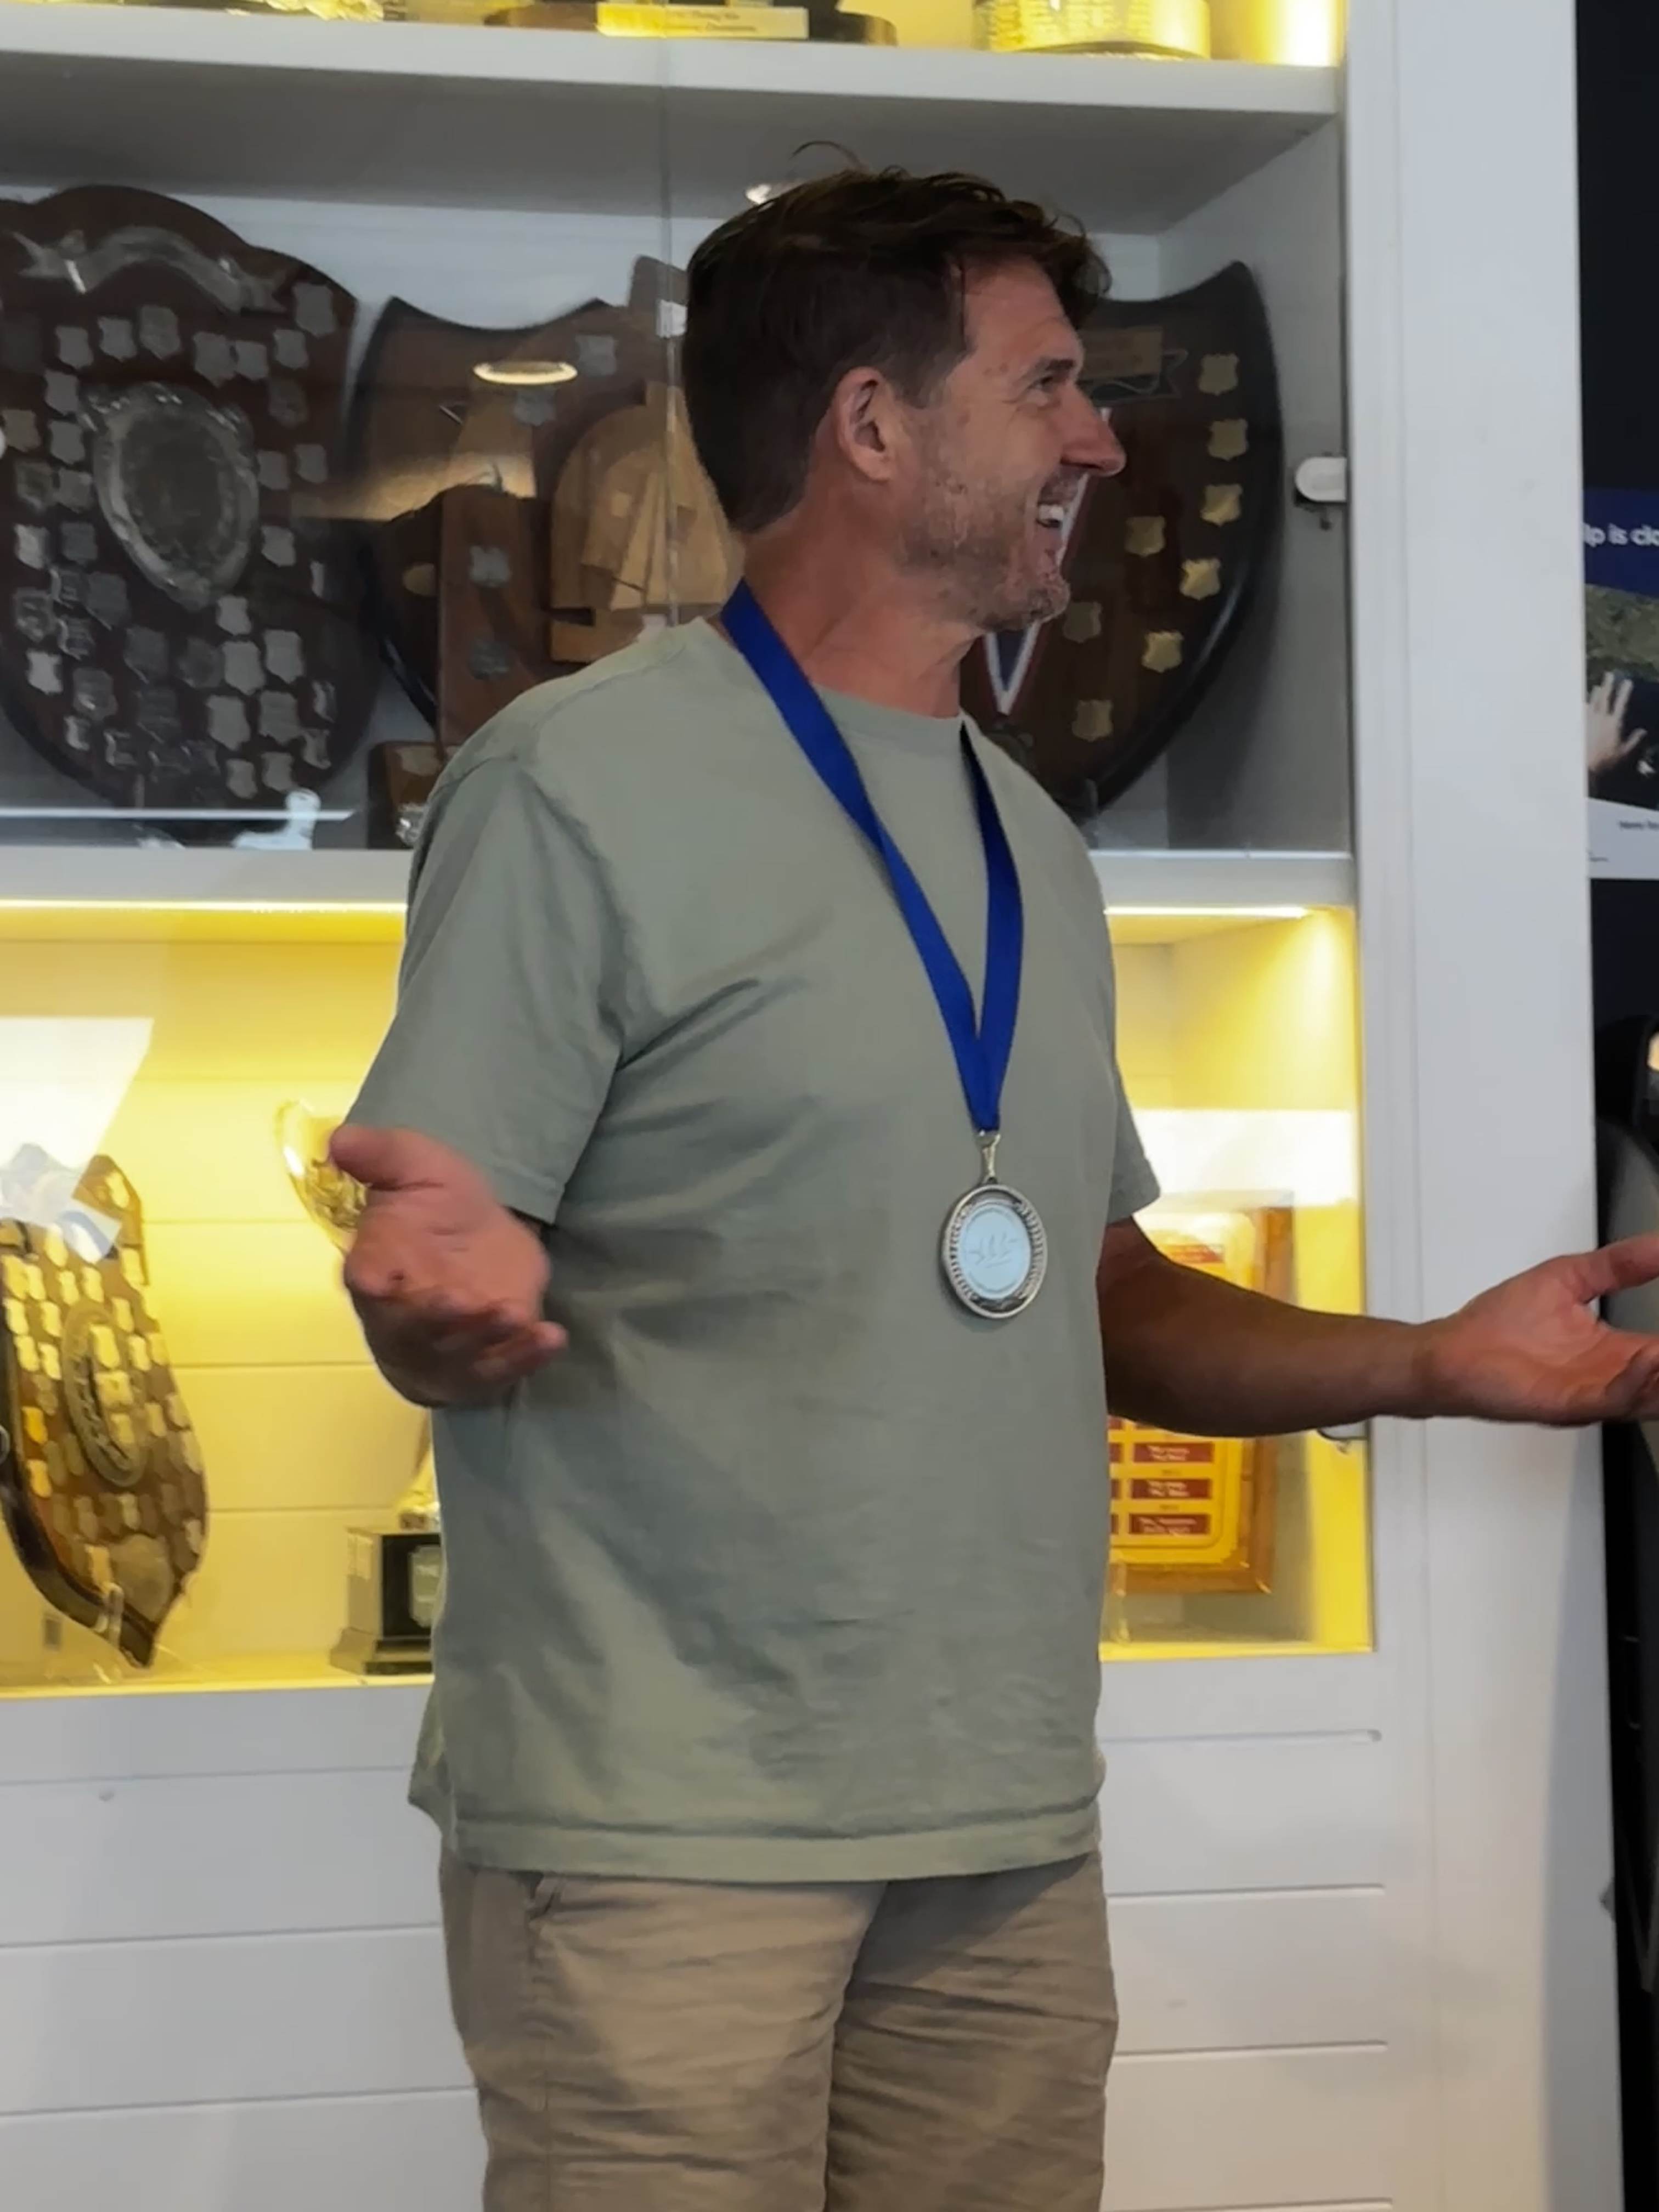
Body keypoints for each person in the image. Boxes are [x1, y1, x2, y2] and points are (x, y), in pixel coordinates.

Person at [336, 169, 1659, 2212]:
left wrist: (1431, 1363)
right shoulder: (571, 788)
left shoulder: (1030, 837)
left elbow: (1094, 1296)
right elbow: (436, 1254)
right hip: (663, 1841)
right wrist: (427, 1292)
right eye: (1047, 386)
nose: (1100, 443)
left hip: (1005, 1834)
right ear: (872, 427)